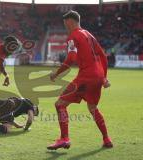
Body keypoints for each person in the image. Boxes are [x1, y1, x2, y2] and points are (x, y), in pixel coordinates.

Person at [47, 10, 113, 150]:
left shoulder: (73, 35)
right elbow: (103, 56)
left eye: (65, 22)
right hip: (98, 77)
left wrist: (56, 74)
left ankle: (64, 138)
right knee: (93, 108)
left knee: (60, 104)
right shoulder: (89, 34)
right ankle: (106, 139)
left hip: (86, 77)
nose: (65, 25)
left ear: (70, 21)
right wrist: (104, 77)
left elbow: (71, 58)